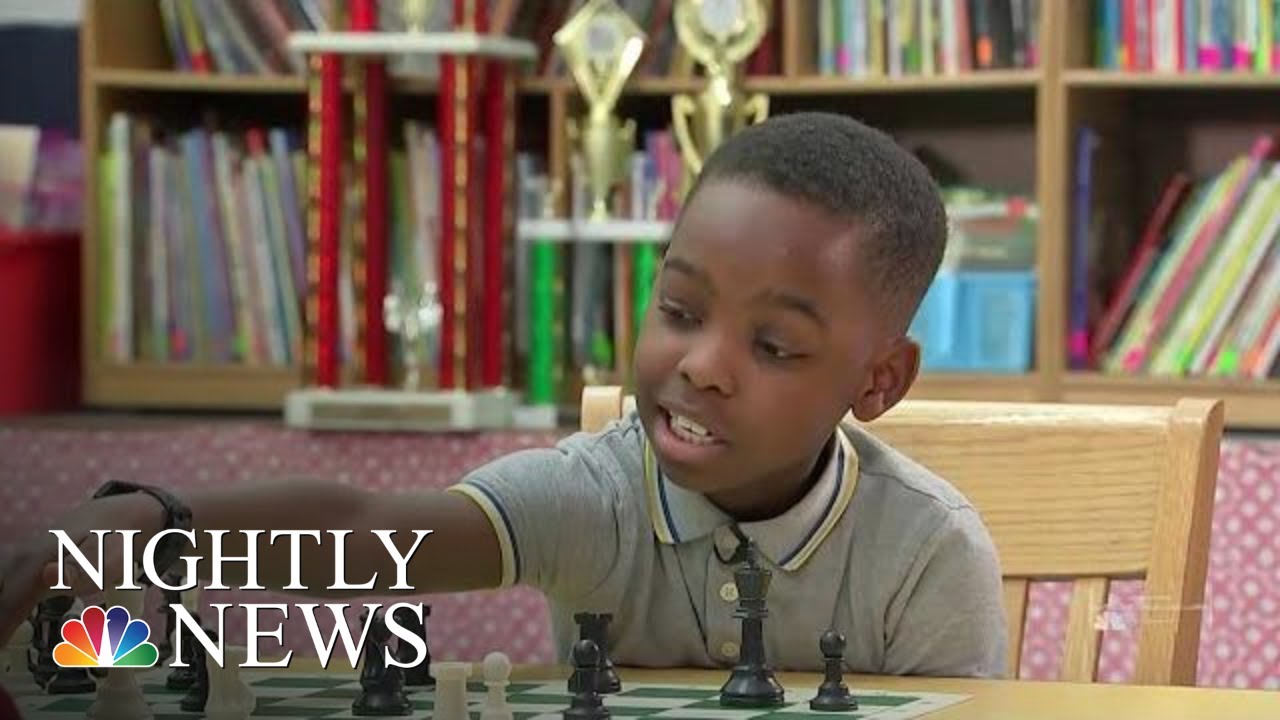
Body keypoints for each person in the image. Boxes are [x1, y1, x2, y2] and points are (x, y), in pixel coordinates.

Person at [0, 112, 1005, 678]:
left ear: (876, 383)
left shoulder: (926, 553)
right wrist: (139, 526)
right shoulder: (596, 498)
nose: (701, 364)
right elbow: (369, 530)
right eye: (678, 307)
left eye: (773, 344)